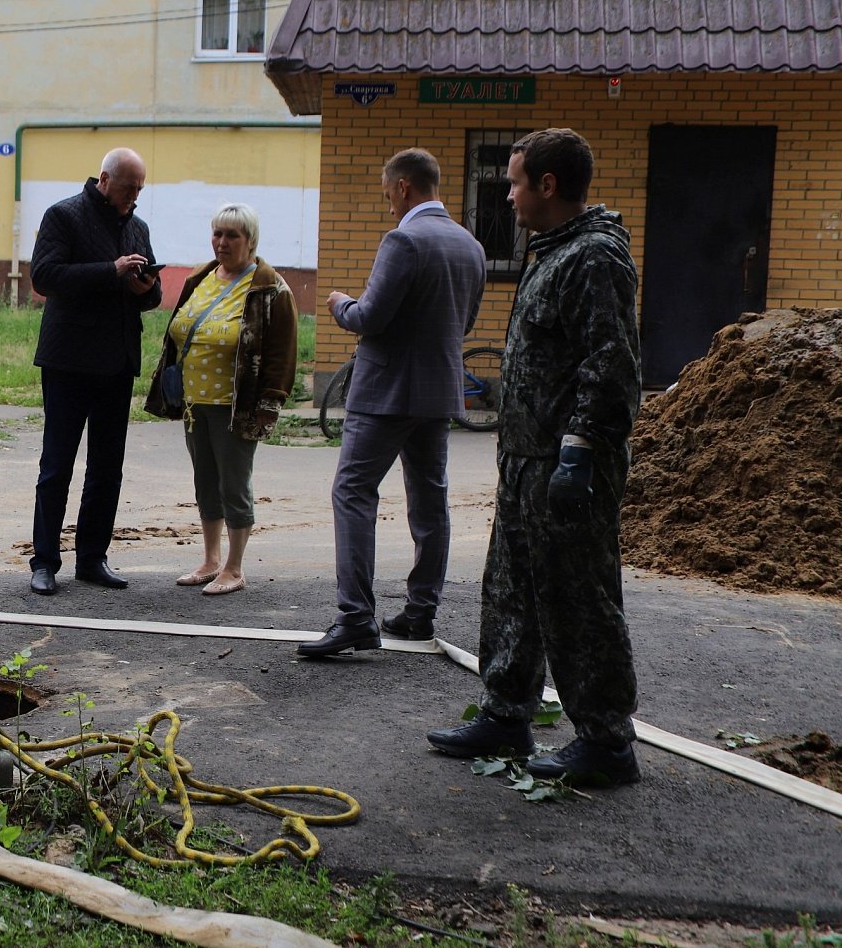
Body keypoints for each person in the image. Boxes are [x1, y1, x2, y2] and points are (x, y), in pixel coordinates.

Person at [426, 131, 642, 789]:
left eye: (515, 182)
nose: (509, 194)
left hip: (566, 464)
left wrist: (578, 452)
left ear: (548, 186)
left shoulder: (595, 257)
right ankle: (507, 713)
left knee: (578, 600)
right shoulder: (551, 251)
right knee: (512, 592)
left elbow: (611, 367)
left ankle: (607, 742)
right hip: (525, 461)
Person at [296, 148, 485, 657]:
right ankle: (421, 612)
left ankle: (355, 617)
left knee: (353, 493)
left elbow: (371, 317)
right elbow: (462, 324)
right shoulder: (470, 245)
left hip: (385, 393)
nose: (388, 204)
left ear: (403, 186)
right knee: (430, 500)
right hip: (437, 392)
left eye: (387, 194)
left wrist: (339, 304)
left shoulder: (403, 239)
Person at [28, 147, 162, 596]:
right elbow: (45, 276)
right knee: (57, 464)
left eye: (140, 189)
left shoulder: (138, 227)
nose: (134, 197)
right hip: (68, 360)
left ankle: (92, 558)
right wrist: (111, 270)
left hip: (118, 361)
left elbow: (149, 295)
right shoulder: (63, 216)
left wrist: (146, 287)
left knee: (108, 467)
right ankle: (44, 561)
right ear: (105, 179)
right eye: (128, 188)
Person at [144, 203, 296, 596]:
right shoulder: (202, 277)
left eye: (232, 236)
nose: (222, 242)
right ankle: (210, 560)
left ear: (250, 241)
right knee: (206, 482)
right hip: (195, 402)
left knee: (234, 484)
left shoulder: (270, 288)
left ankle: (234, 567)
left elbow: (282, 356)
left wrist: (269, 404)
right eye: (217, 234)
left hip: (236, 404)